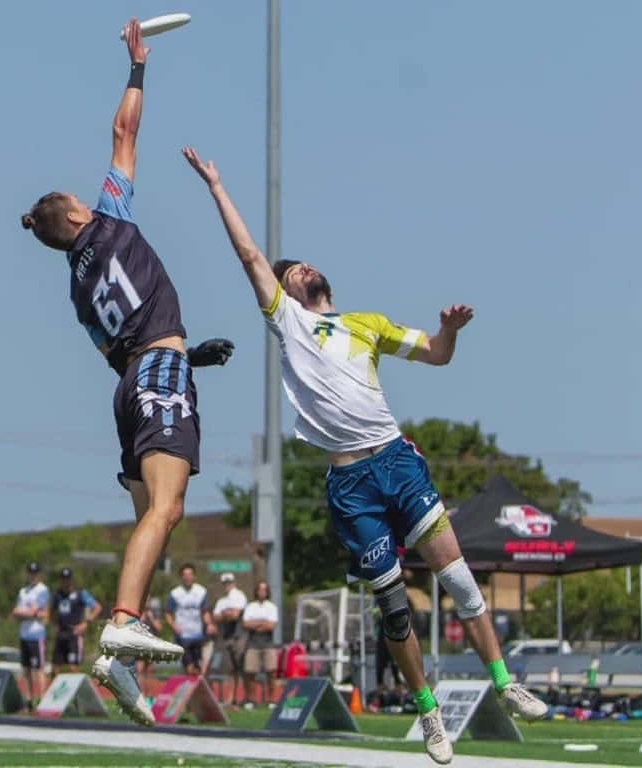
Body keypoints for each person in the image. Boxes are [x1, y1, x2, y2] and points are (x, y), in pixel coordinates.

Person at [183, 147, 548, 764]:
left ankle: (506, 686)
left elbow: (434, 354)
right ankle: (430, 715)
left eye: (306, 265)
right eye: (293, 271)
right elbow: (249, 256)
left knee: (458, 578)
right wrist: (218, 187)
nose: (305, 270)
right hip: (351, 486)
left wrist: (450, 329)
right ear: (286, 291)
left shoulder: (366, 324)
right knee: (394, 607)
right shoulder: (288, 323)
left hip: (397, 463)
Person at [17, 17, 234, 727]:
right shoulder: (108, 219)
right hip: (158, 376)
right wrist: (138, 66)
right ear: (77, 211)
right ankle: (122, 621)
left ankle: (117, 659)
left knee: (153, 523)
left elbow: (115, 349)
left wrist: (181, 352)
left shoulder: (75, 289)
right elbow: (124, 134)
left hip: (129, 385)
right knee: (170, 511)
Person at [12, 561, 50, 712]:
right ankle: (28, 702)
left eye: (35, 573)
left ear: (39, 574)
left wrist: (28, 613)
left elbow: (41, 613)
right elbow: (16, 612)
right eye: (30, 573)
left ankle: (42, 701)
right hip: (24, 634)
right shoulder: (23, 591)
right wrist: (31, 613)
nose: (33, 576)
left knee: (39, 669)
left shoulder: (43, 590)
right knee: (26, 670)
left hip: (37, 634)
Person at [52, 567, 101, 674]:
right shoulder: (57, 595)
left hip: (74, 634)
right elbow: (53, 612)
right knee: (55, 668)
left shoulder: (80, 594)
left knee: (73, 667)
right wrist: (55, 626)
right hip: (61, 634)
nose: (66, 582)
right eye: (63, 579)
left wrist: (85, 624)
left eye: (68, 578)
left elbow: (97, 607)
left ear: (71, 579)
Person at [166, 564, 211, 678]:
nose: (188, 577)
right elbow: (168, 613)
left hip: (198, 635)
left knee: (197, 668)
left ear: (194, 576)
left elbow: (205, 611)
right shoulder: (175, 593)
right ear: (181, 577)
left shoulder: (201, 592)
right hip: (182, 636)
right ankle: (190, 690)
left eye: (190, 574)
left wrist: (209, 624)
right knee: (189, 667)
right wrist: (174, 626)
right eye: (185, 575)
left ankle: (195, 693)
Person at [240, 580, 279, 707]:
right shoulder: (251, 606)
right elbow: (246, 624)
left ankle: (272, 699)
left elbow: (271, 625)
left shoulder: (271, 607)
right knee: (251, 672)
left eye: (264, 589)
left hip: (268, 643)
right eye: (259, 589)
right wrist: (262, 622)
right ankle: (251, 699)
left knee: (271, 672)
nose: (262, 592)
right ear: (256, 592)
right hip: (253, 643)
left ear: (267, 592)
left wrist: (256, 623)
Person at [211, 573, 247, 706]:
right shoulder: (222, 600)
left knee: (241, 667)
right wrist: (228, 613)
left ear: (234, 582)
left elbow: (235, 615)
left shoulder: (239, 595)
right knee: (230, 669)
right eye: (225, 583)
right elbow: (216, 617)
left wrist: (225, 613)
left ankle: (243, 697)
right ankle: (232, 698)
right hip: (227, 636)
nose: (227, 585)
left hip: (239, 636)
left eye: (229, 582)